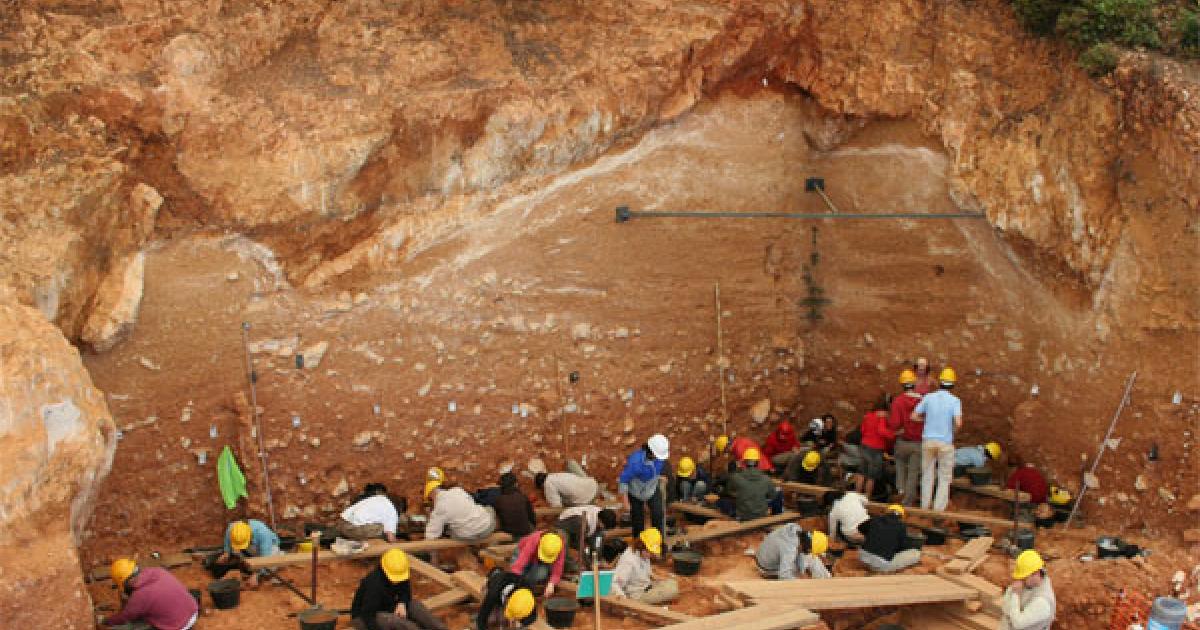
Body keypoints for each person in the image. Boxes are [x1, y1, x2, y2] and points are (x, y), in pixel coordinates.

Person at [351, 549, 447, 630]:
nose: (397, 581)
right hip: (364, 617)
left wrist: (402, 603)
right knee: (403, 624)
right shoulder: (374, 584)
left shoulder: (399, 571)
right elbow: (367, 615)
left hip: (388, 607)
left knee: (416, 606)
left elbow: (405, 592)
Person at [913, 367, 962, 511]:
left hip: (928, 441)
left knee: (927, 474)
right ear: (952, 385)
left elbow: (914, 416)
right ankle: (938, 510)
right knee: (944, 477)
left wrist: (928, 421)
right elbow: (958, 422)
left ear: (940, 382)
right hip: (945, 443)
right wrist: (953, 430)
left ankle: (924, 506)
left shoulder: (928, 397)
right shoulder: (955, 401)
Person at [103, 559, 198, 630]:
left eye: (123, 585)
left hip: (178, 626)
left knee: (131, 626)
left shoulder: (140, 596)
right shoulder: (157, 571)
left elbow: (125, 617)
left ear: (128, 581)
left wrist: (106, 621)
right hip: (193, 611)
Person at [618, 434, 670, 539]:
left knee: (658, 514)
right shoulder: (635, 462)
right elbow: (623, 480)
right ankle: (638, 545)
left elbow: (653, 469)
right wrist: (625, 502)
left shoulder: (659, 458)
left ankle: (658, 541)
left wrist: (658, 477)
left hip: (652, 489)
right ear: (651, 451)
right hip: (636, 492)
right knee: (638, 521)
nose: (660, 458)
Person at [612, 528, 679, 604]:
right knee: (672, 590)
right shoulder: (629, 561)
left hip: (646, 587)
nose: (651, 555)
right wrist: (625, 601)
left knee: (672, 583)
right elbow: (615, 583)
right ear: (641, 545)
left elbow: (648, 574)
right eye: (649, 551)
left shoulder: (643, 554)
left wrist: (659, 579)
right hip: (637, 596)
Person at [208, 519, 281, 585]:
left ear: (249, 536)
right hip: (252, 546)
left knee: (269, 567)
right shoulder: (233, 528)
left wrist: (256, 575)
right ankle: (253, 562)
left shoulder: (262, 534)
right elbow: (228, 534)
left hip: (270, 548)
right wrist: (226, 552)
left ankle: (279, 555)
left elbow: (265, 559)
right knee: (238, 554)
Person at [890, 370, 925, 506]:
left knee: (900, 469)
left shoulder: (898, 401)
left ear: (902, 384)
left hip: (903, 441)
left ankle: (900, 494)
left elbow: (894, 424)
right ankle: (908, 502)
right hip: (918, 443)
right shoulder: (922, 400)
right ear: (914, 383)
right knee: (913, 473)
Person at [1000, 550, 1056, 630]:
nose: (1020, 580)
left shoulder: (1042, 603)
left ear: (1035, 574)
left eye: (1023, 577)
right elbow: (1005, 606)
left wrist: (1016, 595)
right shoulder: (1031, 582)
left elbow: (1018, 624)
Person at [857, 505, 921, 573]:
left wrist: (874, 535)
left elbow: (860, 528)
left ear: (887, 512)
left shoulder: (875, 519)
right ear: (901, 516)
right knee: (916, 553)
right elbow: (902, 546)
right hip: (881, 565)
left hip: (863, 559)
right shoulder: (901, 526)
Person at [754, 523, 831, 579]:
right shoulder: (789, 549)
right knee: (812, 559)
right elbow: (784, 575)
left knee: (808, 558)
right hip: (766, 568)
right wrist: (801, 584)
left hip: (763, 557)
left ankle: (826, 579)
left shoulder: (795, 529)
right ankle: (825, 579)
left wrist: (802, 570)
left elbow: (800, 553)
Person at [426, 482, 497, 542]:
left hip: (468, 537)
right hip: (487, 528)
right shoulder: (458, 490)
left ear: (431, 494)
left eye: (430, 499)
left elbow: (431, 535)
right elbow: (471, 502)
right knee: (489, 508)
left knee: (451, 531)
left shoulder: (439, 508)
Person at [726, 448, 780, 521]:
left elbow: (730, 492)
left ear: (744, 462)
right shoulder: (766, 479)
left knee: (723, 503)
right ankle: (777, 516)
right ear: (758, 462)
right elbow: (772, 496)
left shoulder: (735, 477)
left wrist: (742, 494)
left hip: (742, 516)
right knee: (778, 492)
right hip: (761, 516)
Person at [508, 531, 565, 597]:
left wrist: (551, 584)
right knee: (517, 574)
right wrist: (514, 582)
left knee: (541, 574)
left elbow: (557, 570)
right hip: (521, 553)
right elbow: (519, 564)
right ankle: (524, 583)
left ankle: (526, 583)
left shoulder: (559, 546)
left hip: (538, 561)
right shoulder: (534, 539)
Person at [858, 402, 895, 500]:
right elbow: (881, 430)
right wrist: (892, 434)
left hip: (864, 445)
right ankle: (867, 498)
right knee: (871, 476)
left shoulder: (868, 416)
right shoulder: (881, 418)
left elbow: (862, 430)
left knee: (862, 473)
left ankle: (856, 496)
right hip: (875, 448)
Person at [492, 472, 536, 538]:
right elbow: (532, 516)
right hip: (525, 531)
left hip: (509, 531)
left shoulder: (498, 500)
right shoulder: (522, 497)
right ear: (515, 484)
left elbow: (499, 517)